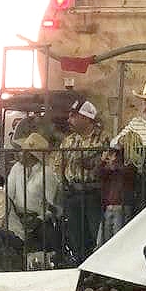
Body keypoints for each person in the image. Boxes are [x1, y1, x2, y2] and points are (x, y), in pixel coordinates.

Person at [56, 99, 108, 263]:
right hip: (73, 192)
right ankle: (81, 266)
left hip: (94, 192)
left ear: (86, 118)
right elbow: (58, 163)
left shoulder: (103, 139)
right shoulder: (69, 140)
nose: (69, 119)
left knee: (96, 234)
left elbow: (107, 163)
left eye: (73, 116)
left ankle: (97, 268)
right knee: (76, 236)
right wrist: (63, 183)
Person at [7, 133, 61, 268]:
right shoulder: (16, 168)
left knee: (47, 236)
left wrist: (39, 219)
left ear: (32, 155)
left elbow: (51, 204)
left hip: (38, 219)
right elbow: (8, 196)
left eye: (24, 151)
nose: (20, 154)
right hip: (16, 218)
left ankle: (54, 263)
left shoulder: (46, 172)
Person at [111, 77, 146, 206]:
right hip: (141, 181)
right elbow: (114, 142)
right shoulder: (136, 123)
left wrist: (137, 143)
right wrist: (124, 140)